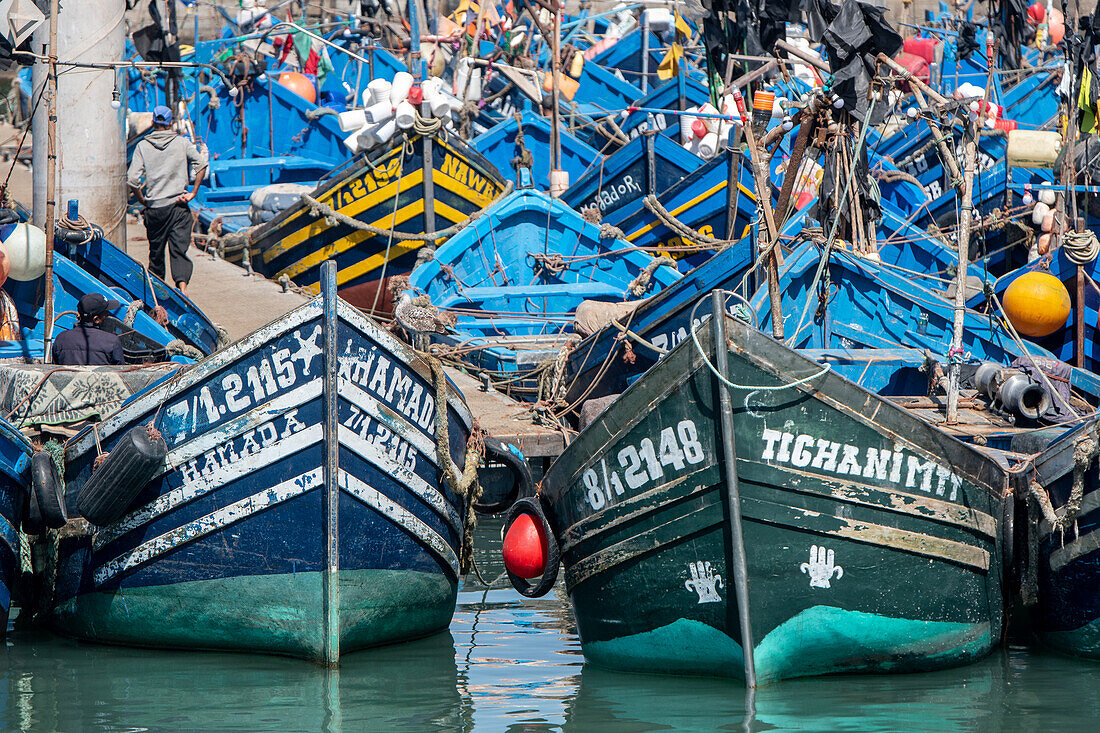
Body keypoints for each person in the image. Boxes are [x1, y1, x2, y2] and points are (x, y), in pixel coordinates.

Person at [127, 105, 208, 296]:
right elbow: (201, 164)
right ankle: (183, 288)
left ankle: (158, 293)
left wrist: (143, 200)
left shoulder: (143, 146)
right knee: (179, 249)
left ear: (154, 122)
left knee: (156, 252)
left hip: (155, 208)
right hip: (178, 206)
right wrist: (193, 192)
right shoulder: (181, 143)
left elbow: (132, 179)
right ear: (170, 123)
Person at [52, 293, 126, 366]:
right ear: (96, 319)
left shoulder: (61, 338)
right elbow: (120, 370)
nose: (107, 315)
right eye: (106, 313)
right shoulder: (112, 341)